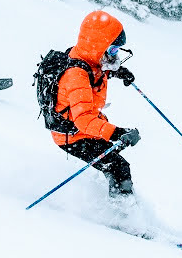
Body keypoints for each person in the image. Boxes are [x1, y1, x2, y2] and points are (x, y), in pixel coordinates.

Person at [54, 10, 140, 196]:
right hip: (74, 136)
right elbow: (83, 120)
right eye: (112, 49)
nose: (115, 54)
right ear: (98, 46)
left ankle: (121, 206)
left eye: (117, 50)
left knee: (116, 165)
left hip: (83, 130)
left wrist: (117, 72)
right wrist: (118, 132)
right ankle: (123, 214)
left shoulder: (87, 58)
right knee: (118, 167)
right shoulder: (76, 76)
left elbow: (95, 69)